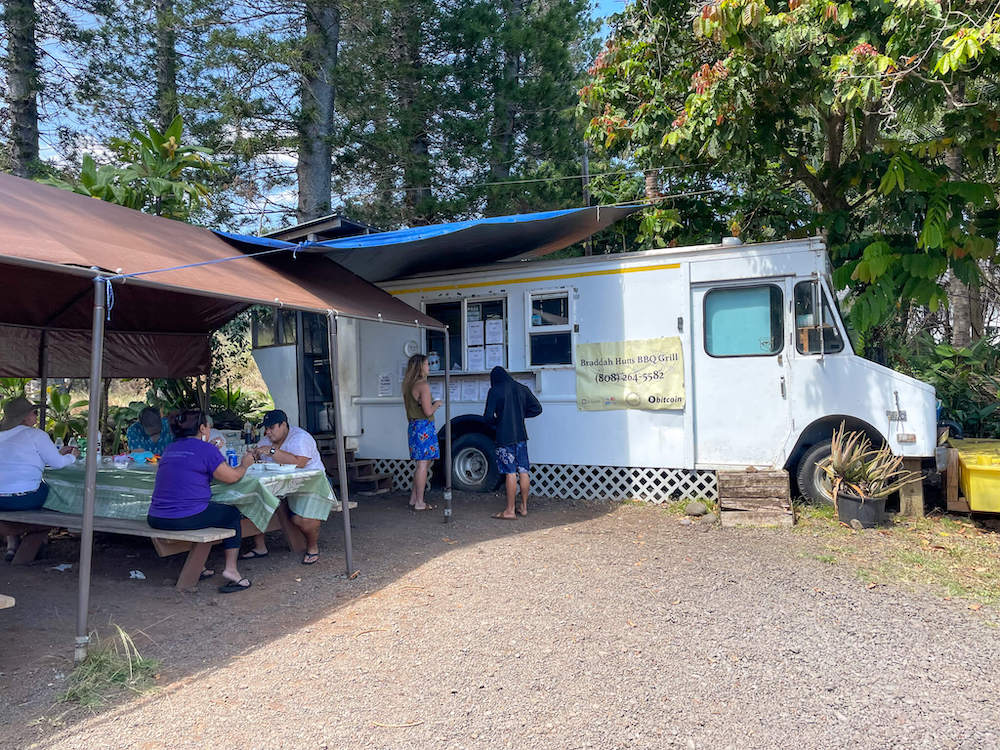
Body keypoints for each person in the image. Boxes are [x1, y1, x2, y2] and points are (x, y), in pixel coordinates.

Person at [147, 409, 256, 593]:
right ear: (203, 428)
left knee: (203, 511)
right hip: (183, 517)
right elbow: (231, 477)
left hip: (156, 517)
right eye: (207, 426)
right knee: (231, 514)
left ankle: (202, 567)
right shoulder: (206, 450)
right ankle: (231, 570)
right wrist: (245, 464)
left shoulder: (170, 448)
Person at [1, 396, 79, 561]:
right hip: (24, 500)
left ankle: (13, 543)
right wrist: (72, 457)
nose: (36, 416)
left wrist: (57, 453)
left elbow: (20, 461)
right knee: (49, 489)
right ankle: (40, 534)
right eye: (34, 412)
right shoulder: (36, 435)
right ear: (25, 417)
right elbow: (57, 464)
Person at [244, 409, 326, 564]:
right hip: (282, 483)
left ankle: (313, 547)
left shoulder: (300, 438)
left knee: (301, 520)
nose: (267, 432)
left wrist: (272, 451)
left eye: (271, 428)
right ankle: (260, 546)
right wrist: (254, 454)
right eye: (266, 428)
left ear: (283, 425)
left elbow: (300, 462)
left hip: (311, 482)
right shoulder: (267, 438)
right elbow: (258, 452)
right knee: (256, 496)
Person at [483, 367, 542, 520]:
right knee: (523, 471)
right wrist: (521, 414)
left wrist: (498, 421)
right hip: (521, 436)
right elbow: (537, 408)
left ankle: (509, 510)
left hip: (504, 436)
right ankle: (523, 507)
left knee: (510, 472)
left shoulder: (495, 391)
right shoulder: (522, 388)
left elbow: (488, 417)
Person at [402, 353, 442, 512]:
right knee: (423, 465)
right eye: (426, 364)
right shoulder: (422, 385)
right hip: (424, 427)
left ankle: (414, 498)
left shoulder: (408, 384)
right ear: (420, 367)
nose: (429, 366)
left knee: (422, 463)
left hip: (413, 426)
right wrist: (437, 404)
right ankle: (420, 502)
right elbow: (427, 411)